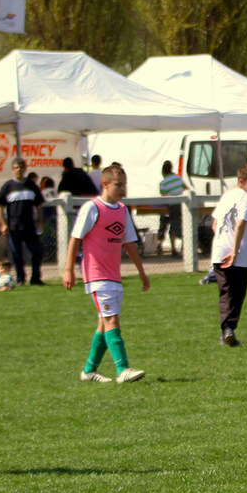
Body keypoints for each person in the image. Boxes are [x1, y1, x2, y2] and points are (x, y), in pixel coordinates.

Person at [63, 164, 150, 383]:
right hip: (97, 275)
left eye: (124, 185)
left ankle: (89, 370)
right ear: (105, 184)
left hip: (114, 276)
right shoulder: (92, 208)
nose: (123, 189)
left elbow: (130, 243)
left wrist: (141, 272)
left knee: (104, 324)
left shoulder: (122, 210)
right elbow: (75, 238)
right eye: (118, 185)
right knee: (111, 320)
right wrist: (69, 269)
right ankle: (123, 369)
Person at [209, 165, 247, 347]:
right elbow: (240, 225)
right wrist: (234, 251)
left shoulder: (227, 196)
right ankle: (228, 329)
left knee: (226, 292)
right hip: (238, 254)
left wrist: (222, 242)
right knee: (237, 294)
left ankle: (227, 331)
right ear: (241, 181)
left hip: (219, 252)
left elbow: (215, 224)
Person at [0, 158, 44, 286]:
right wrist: (3, 224)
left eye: (21, 167)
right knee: (16, 255)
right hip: (13, 227)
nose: (19, 170)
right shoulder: (8, 186)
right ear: (12, 170)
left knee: (37, 252)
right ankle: (20, 279)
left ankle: (35, 279)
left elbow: (39, 205)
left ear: (25, 169)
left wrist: (40, 221)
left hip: (30, 226)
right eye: (16, 167)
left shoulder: (31, 185)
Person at [158, 160, 185, 258]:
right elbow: (185, 188)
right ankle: (176, 248)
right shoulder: (178, 178)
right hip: (179, 205)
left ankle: (160, 243)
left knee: (163, 224)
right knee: (176, 225)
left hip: (169, 205)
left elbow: (163, 195)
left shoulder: (163, 182)